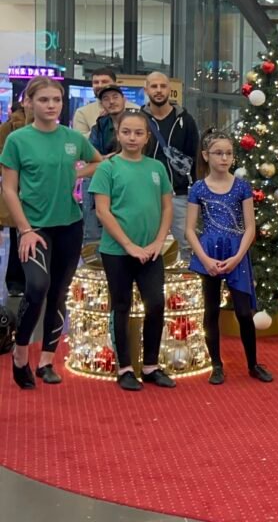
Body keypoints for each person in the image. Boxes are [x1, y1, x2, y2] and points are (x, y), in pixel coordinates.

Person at [1, 76, 101, 389]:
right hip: (34, 227)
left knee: (59, 292)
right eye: (43, 99)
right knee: (36, 287)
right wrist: (25, 230)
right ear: (29, 102)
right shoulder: (18, 140)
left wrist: (77, 173)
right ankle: (20, 353)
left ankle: (46, 361)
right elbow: (9, 189)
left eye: (56, 100)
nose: (51, 105)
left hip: (70, 225)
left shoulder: (72, 138)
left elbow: (98, 162)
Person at [90, 110, 177, 390]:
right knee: (121, 305)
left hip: (151, 251)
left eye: (138, 133)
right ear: (118, 134)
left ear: (147, 137)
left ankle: (151, 366)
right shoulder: (108, 168)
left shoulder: (157, 168)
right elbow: (102, 211)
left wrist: (158, 242)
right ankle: (125, 368)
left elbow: (167, 207)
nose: (132, 137)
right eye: (126, 132)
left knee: (156, 303)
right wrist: (128, 245)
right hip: (117, 251)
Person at [185, 130, 272, 385]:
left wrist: (237, 257)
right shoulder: (198, 188)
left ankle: (253, 364)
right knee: (211, 310)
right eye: (218, 153)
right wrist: (205, 259)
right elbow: (189, 229)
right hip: (209, 253)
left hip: (236, 252)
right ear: (206, 155)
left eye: (228, 153)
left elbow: (250, 227)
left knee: (244, 312)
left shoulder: (242, 186)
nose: (224, 158)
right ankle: (216, 365)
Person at [141, 71, 199, 263]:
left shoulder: (185, 120)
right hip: (146, 195)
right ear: (146, 90)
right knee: (146, 244)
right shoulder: (140, 120)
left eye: (163, 86)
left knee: (187, 245)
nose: (158, 90)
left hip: (179, 195)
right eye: (154, 86)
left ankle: (187, 281)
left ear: (169, 89)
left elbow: (195, 158)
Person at [83, 85, 129, 243]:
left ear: (124, 100)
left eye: (115, 97)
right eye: (106, 99)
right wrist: (107, 158)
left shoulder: (136, 121)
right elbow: (90, 157)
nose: (111, 102)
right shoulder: (100, 126)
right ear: (102, 104)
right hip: (104, 179)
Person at [0, 96, 30, 300]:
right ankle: (17, 282)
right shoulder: (9, 127)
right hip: (17, 189)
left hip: (37, 192)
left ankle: (19, 282)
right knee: (19, 236)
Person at [72, 68, 139, 136]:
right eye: (96, 82)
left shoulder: (136, 110)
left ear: (115, 84)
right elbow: (80, 140)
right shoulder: (82, 113)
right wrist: (100, 125)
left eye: (104, 82)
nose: (100, 85)